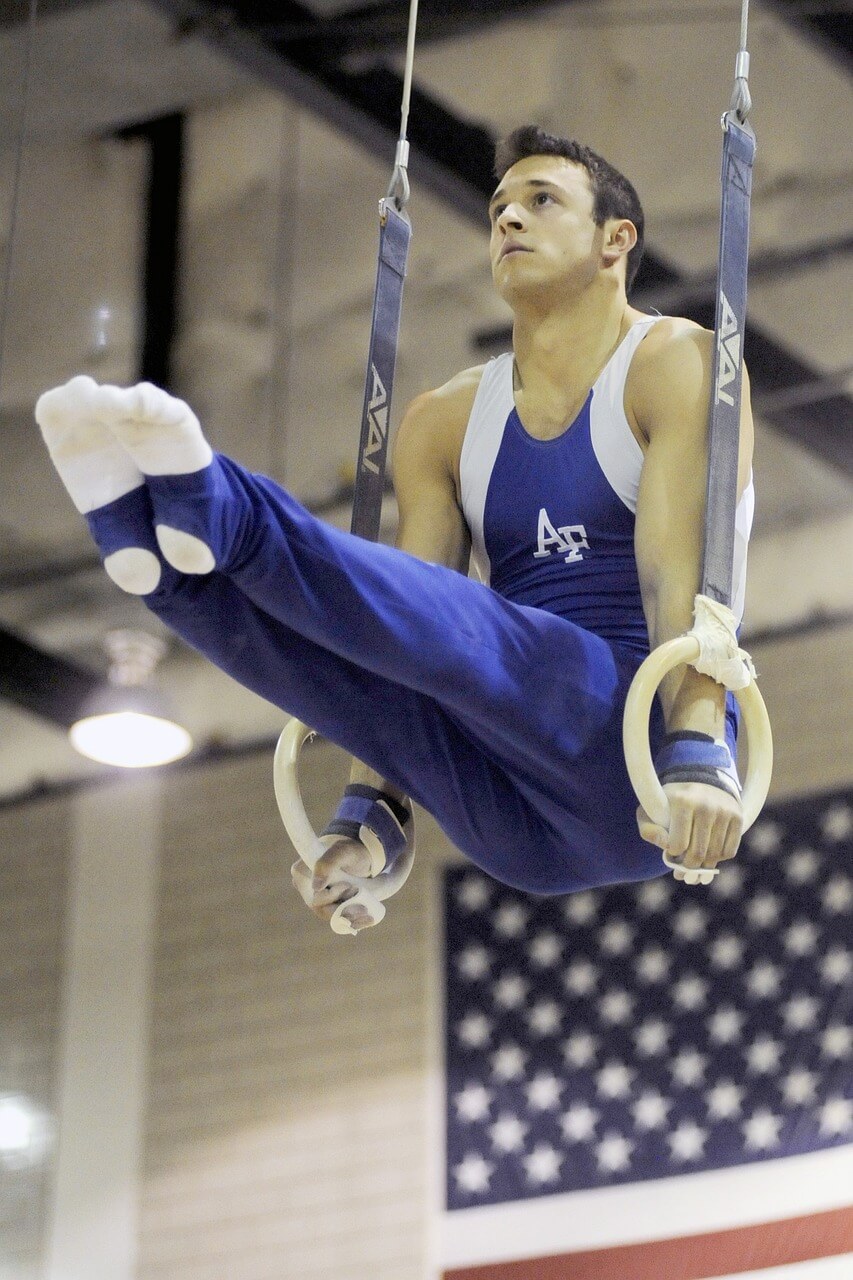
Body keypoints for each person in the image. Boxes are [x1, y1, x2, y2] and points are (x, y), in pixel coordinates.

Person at [36, 126, 753, 932]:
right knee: (367, 660)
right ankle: (165, 570)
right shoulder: (442, 422)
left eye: (541, 200)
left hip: (632, 757)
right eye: (498, 208)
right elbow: (404, 636)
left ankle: (222, 508)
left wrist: (696, 752)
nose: (508, 220)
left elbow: (677, 586)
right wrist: (368, 818)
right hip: (507, 825)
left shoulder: (671, 361)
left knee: (481, 634)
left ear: (615, 239)